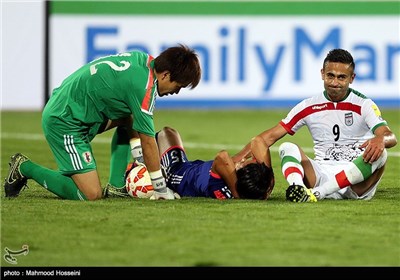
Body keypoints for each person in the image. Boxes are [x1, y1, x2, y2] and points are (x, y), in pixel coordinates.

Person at [3, 44, 201, 201]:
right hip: (65, 121)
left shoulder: (144, 62)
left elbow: (132, 118)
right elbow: (148, 140)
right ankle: (24, 167)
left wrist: (138, 157)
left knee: (129, 114)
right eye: (178, 86)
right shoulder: (144, 87)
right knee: (91, 194)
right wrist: (160, 188)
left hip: (77, 110)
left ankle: (116, 186)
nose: (176, 91)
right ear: (165, 74)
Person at [233, 48, 397, 202]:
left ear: (351, 78)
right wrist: (237, 159)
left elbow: (390, 136)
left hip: (356, 182)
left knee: (381, 154)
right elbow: (268, 138)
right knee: (287, 147)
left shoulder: (364, 105)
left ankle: (318, 193)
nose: (334, 82)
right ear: (322, 74)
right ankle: (297, 188)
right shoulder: (308, 106)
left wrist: (381, 140)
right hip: (321, 174)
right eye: (330, 76)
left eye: (341, 77)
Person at [140, 126, 274, 199]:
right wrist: (268, 175)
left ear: (239, 174)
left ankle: (139, 163)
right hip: (196, 170)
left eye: (245, 163)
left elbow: (223, 156)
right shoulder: (259, 189)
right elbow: (258, 142)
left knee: (167, 132)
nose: (244, 160)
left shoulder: (219, 185)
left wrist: (236, 193)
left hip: (177, 174)